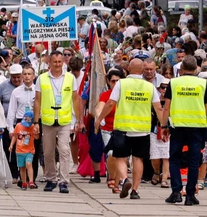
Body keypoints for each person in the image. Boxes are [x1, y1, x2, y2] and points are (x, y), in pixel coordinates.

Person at [95, 59, 162, 200]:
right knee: (138, 159)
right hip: (142, 129)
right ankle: (135, 191)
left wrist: (99, 119)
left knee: (120, 157)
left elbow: (110, 103)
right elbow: (158, 107)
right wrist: (164, 125)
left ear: (128, 69)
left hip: (123, 128)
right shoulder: (149, 86)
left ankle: (125, 179)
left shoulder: (121, 84)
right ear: (143, 69)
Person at [33, 52, 82, 194]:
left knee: (64, 150)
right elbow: (37, 100)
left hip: (64, 119)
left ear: (63, 62)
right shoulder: (42, 78)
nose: (57, 64)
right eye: (54, 62)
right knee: (48, 152)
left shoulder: (70, 78)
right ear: (49, 62)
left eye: (60, 62)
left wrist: (78, 120)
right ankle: (51, 178)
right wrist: (36, 121)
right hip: (48, 120)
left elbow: (75, 99)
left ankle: (64, 181)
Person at [162, 55, 207, 206]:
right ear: (196, 69)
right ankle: (190, 195)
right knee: (194, 162)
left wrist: (163, 126)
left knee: (174, 159)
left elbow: (166, 106)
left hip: (178, 126)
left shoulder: (173, 83)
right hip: (198, 126)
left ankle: (176, 192)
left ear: (181, 69)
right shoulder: (203, 84)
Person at [9, 111, 37, 190]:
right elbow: (15, 136)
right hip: (19, 150)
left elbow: (36, 137)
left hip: (29, 150)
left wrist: (36, 133)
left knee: (28, 164)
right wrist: (11, 145)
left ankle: (31, 181)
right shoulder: (18, 126)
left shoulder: (32, 127)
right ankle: (24, 182)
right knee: (22, 167)